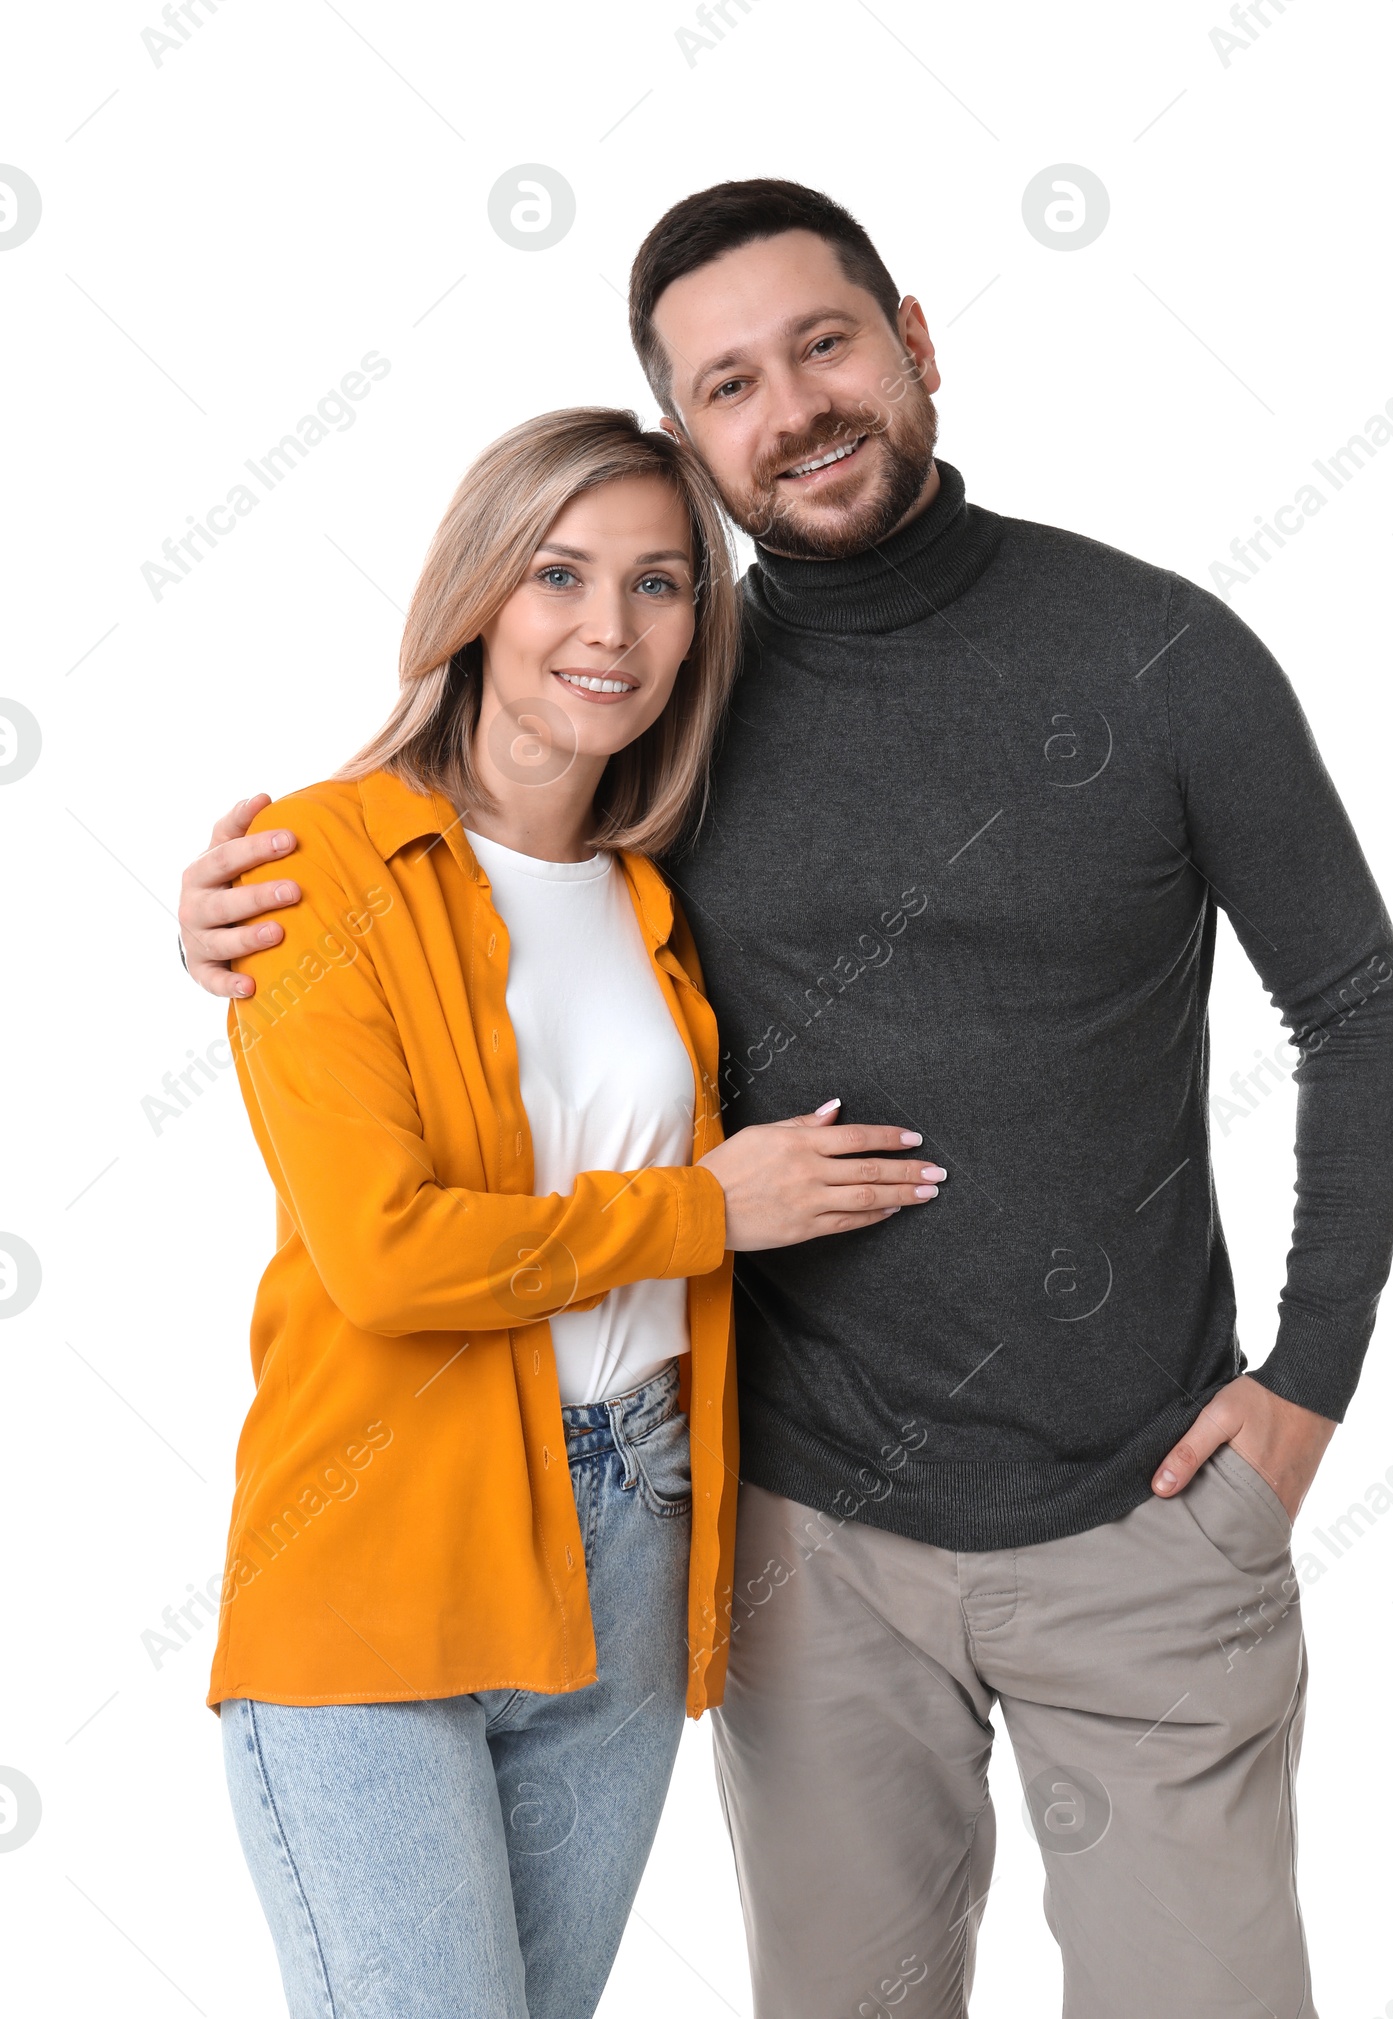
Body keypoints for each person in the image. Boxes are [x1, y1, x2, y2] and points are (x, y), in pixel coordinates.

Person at [180, 184, 1393, 2017]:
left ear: (913, 342)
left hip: (1144, 1516)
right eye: (731, 384)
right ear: (695, 438)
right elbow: (470, 856)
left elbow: (1356, 1012)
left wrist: (1310, 1378)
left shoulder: (1160, 656)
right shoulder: (681, 701)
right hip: (801, 1546)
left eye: (824, 346)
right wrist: (239, 905)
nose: (794, 409)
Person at [200, 405, 941, 2019]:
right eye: (559, 574)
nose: (608, 629)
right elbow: (387, 1256)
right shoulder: (314, 869)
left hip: (635, 1529)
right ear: (477, 595)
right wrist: (696, 1213)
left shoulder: (662, 898)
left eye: (662, 585)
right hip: (379, 1549)